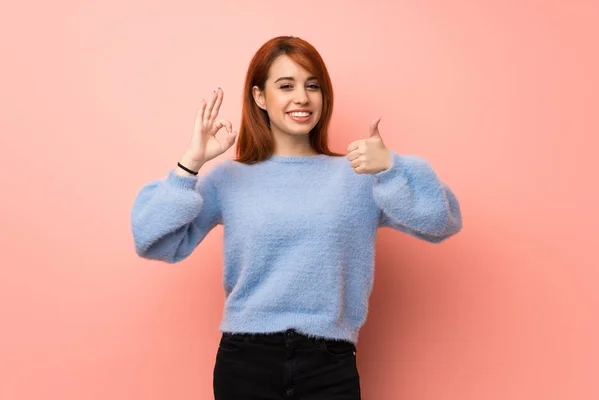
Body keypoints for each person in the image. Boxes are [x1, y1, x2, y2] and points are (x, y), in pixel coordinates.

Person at [131, 35, 462, 400]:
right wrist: (189, 164)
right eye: (285, 85)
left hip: (330, 363)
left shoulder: (358, 175)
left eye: (313, 86)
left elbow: (441, 222)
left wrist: (392, 168)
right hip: (245, 361)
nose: (302, 98)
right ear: (260, 97)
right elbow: (152, 240)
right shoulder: (229, 179)